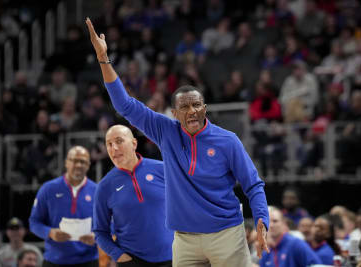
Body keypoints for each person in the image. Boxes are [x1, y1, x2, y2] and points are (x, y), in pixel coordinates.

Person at [86, 17, 269, 267]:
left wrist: (261, 219)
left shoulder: (228, 141)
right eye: (184, 106)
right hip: (184, 240)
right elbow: (124, 105)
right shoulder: (166, 131)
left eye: (196, 105)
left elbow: (253, 185)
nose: (191, 110)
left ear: (205, 108)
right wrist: (103, 59)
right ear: (174, 113)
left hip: (226, 235)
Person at [93, 124, 173, 267]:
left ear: (134, 143)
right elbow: (100, 231)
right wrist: (118, 255)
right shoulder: (104, 186)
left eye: (119, 141)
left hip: (173, 257)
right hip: (132, 261)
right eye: (109, 144)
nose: (114, 148)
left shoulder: (163, 169)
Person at [29, 146, 98, 267]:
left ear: (88, 165)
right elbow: (33, 222)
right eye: (74, 160)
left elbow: (111, 224)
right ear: (66, 162)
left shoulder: (98, 191)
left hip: (88, 261)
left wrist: (97, 236)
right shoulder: (48, 189)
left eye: (82, 161)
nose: (78, 165)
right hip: (54, 261)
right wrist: (50, 232)